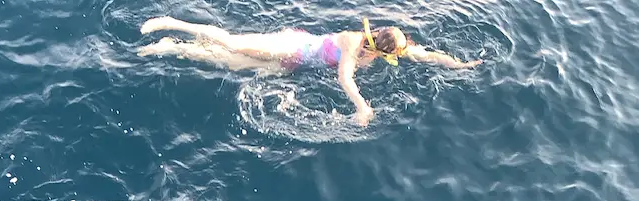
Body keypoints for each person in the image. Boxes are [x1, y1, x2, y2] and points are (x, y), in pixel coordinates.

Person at [138, 16, 481, 126]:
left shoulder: (387, 49)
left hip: (293, 64)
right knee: (230, 43)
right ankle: (171, 23)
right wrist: (361, 106)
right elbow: (344, 76)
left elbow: (426, 56)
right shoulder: (351, 41)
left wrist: (461, 64)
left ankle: (173, 47)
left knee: (227, 62)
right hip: (291, 48)